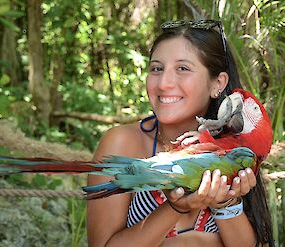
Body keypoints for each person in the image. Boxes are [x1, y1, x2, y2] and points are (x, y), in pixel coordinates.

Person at [87, 20, 273, 247]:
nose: (164, 83)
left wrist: (224, 201)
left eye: (182, 69)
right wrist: (175, 208)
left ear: (218, 83)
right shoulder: (122, 143)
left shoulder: (231, 151)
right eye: (156, 69)